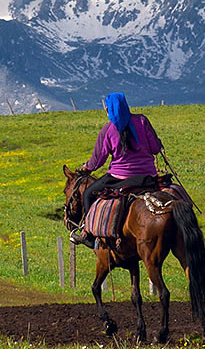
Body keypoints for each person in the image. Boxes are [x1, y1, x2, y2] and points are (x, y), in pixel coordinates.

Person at [69, 92, 163, 248]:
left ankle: (88, 234)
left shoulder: (108, 130)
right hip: (148, 176)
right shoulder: (142, 120)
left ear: (107, 109)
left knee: (88, 194)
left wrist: (85, 168)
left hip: (120, 177)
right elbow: (155, 149)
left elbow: (97, 162)